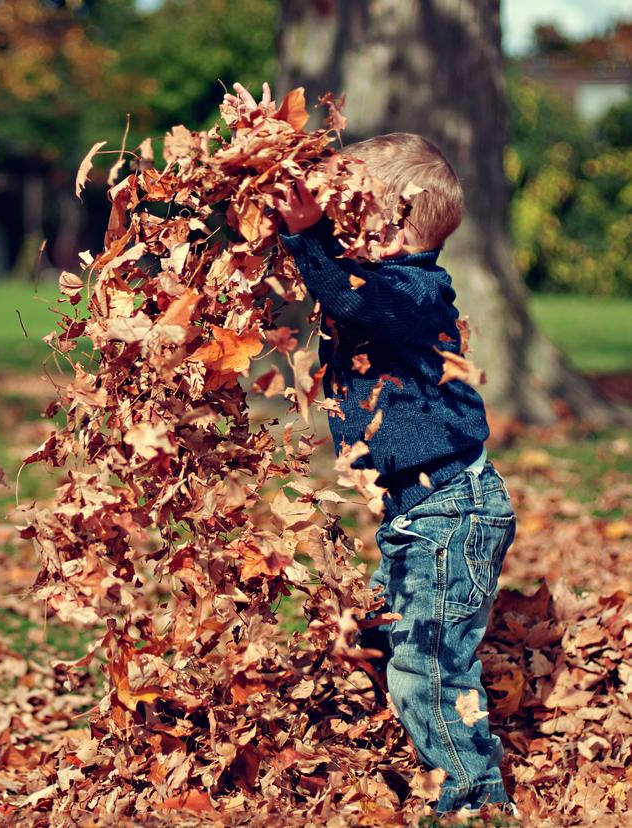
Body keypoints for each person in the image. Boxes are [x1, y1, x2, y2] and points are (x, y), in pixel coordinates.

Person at [226, 83, 519, 817]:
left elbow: (351, 297)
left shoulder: (415, 291)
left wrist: (307, 237)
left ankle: (474, 800)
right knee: (393, 641)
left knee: (427, 663)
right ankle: (440, 753)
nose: (335, 222)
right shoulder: (378, 282)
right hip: (418, 513)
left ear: (389, 226)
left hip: (452, 512)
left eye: (349, 209)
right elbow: (338, 287)